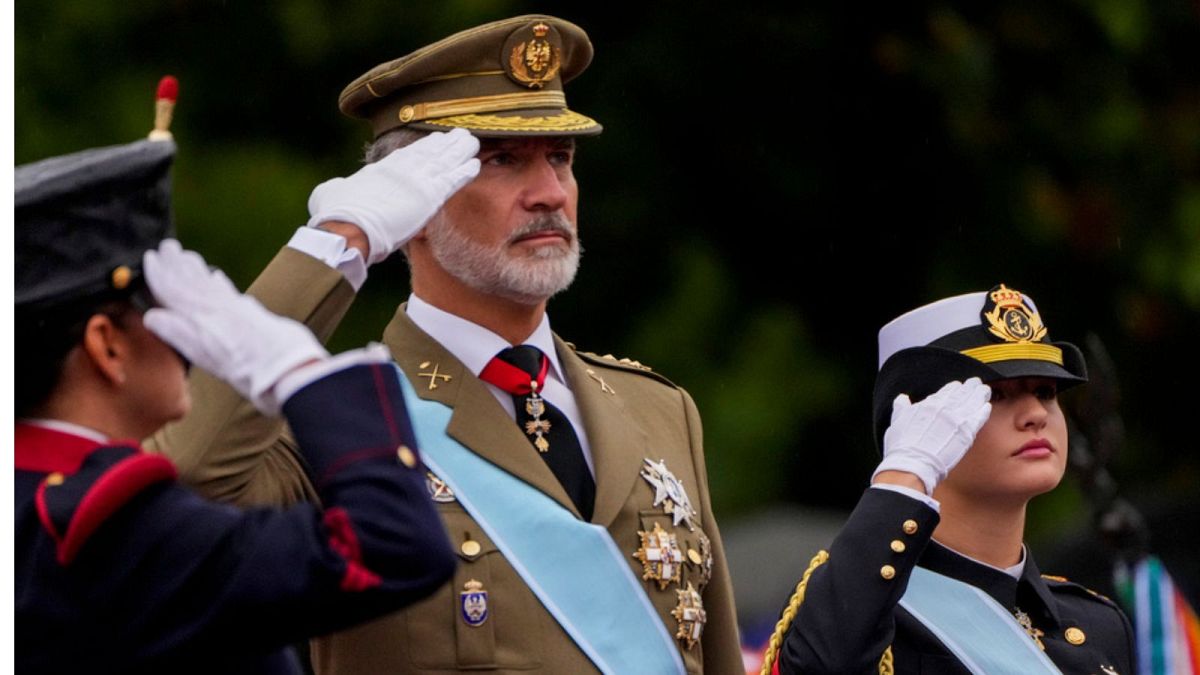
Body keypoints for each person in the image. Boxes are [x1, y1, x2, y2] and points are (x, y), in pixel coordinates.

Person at [148, 14, 741, 675]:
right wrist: (341, 239)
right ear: (412, 199)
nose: (549, 193)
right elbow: (189, 478)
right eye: (502, 161)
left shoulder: (660, 410)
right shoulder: (334, 421)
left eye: (561, 159)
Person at [14, 134, 470, 673]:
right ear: (107, 345)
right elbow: (395, 548)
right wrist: (298, 371)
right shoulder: (106, 529)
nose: (192, 334)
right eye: (170, 307)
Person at [762, 285, 1135, 675]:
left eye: (1045, 391)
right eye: (994, 395)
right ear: (916, 424)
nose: (1036, 414)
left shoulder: (1099, 625)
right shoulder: (866, 613)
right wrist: (906, 470)